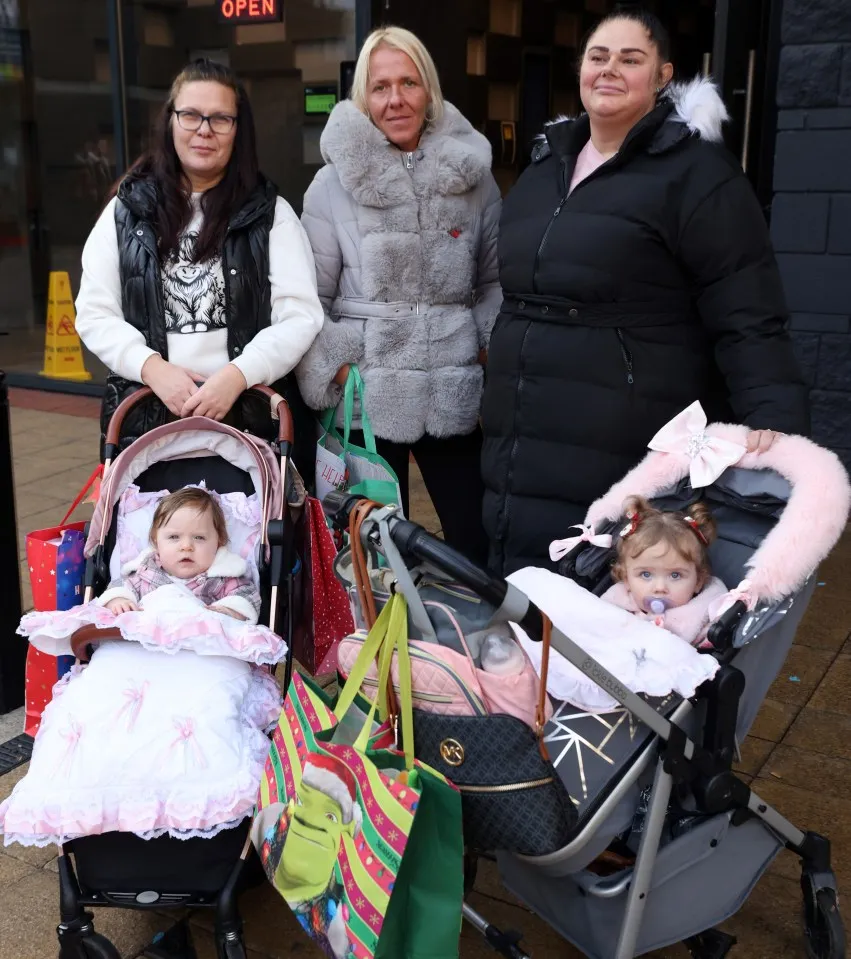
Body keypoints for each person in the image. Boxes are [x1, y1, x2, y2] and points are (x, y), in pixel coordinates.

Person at [481, 8, 810, 575]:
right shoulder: (543, 169)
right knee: (521, 598)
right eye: (598, 57)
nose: (609, 70)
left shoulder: (699, 177)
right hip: (522, 434)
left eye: (630, 59)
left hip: (623, 434)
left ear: (663, 76)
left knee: (605, 589)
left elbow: (747, 312)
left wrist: (775, 427)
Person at [295, 26, 502, 564]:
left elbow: (494, 281)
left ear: (428, 89)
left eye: (408, 83)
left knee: (477, 540)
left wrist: (481, 349)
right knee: (372, 553)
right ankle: (379, 649)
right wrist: (341, 369)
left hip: (453, 383)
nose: (395, 99)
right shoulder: (331, 184)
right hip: (368, 390)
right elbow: (304, 298)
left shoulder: (472, 179)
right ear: (364, 95)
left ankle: (467, 646)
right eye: (381, 86)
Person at [75, 58, 324, 463]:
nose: (204, 129)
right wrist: (154, 370)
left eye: (220, 118)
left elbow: (300, 316)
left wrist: (237, 376)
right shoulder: (127, 211)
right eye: (190, 115)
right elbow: (94, 312)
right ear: (170, 121)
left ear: (237, 130)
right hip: (149, 427)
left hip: (248, 429)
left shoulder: (269, 213)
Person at [3, 487, 284, 846]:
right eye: (174, 537)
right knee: (93, 704)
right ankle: (90, 795)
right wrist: (120, 601)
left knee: (206, 713)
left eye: (200, 538)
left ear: (219, 542)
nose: (186, 546)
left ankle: (197, 799)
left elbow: (245, 602)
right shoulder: (146, 573)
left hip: (200, 660)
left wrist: (226, 614)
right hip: (135, 655)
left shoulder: (226, 577)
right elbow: (121, 589)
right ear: (156, 542)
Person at [599, 496, 727, 647]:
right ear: (626, 579)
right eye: (645, 574)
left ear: (698, 581)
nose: (660, 588)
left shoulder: (702, 617)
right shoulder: (613, 606)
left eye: (675, 575)